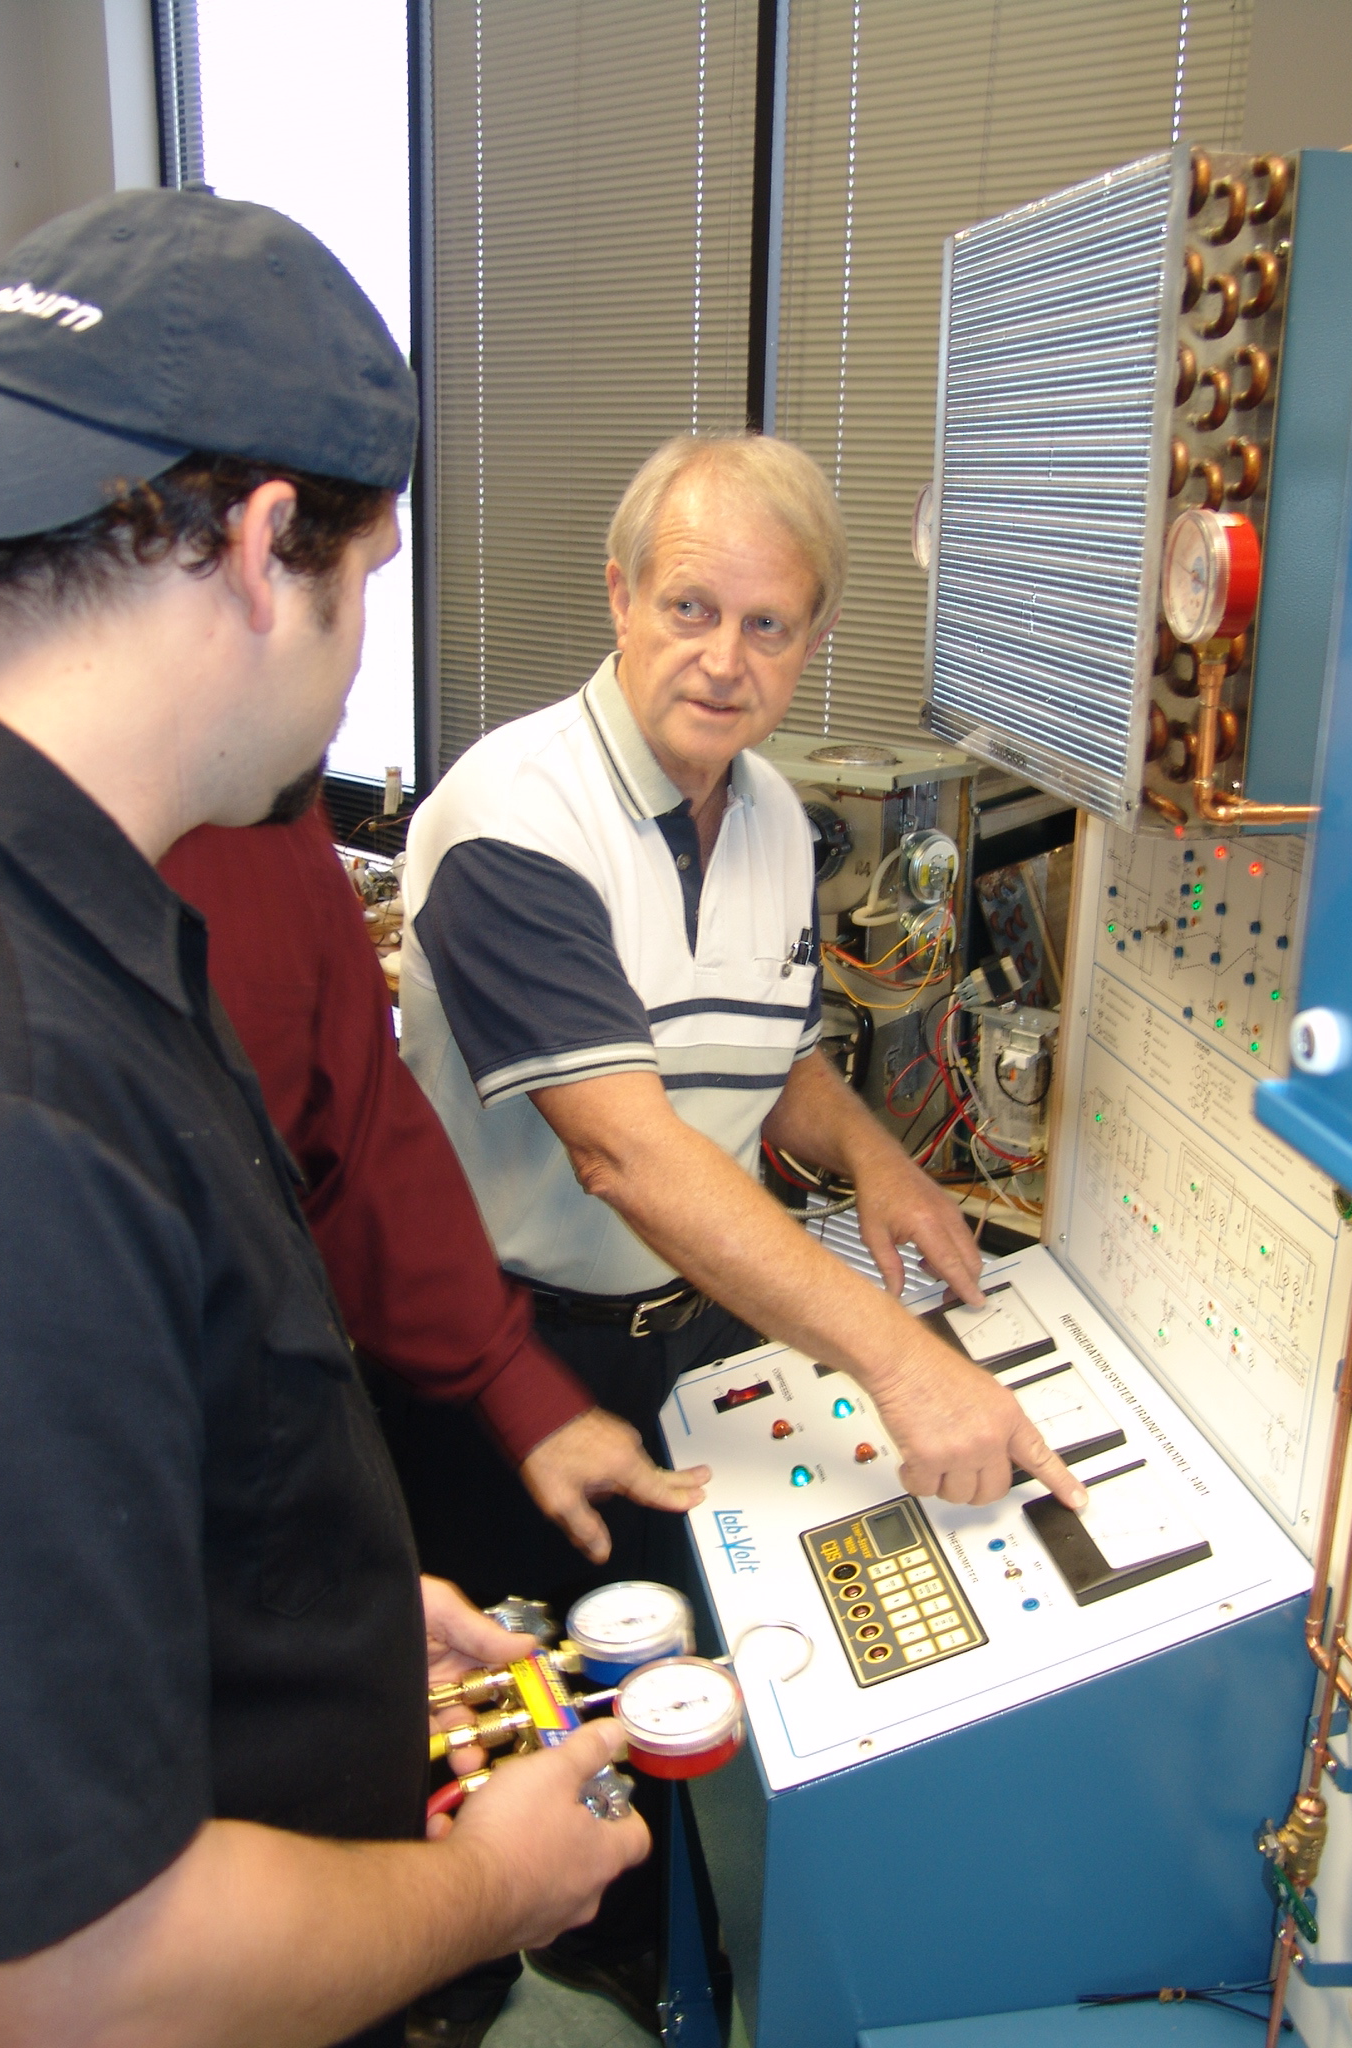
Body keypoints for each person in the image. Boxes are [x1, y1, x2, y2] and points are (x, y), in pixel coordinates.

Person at [0, 190, 646, 2048]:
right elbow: (69, 1982)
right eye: (372, 574)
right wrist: (495, 1884)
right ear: (266, 546)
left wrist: (293, 1609)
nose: (355, 659)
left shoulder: (64, 899)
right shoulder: (6, 1098)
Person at [396, 431, 1089, 2018]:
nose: (724, 659)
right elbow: (628, 1153)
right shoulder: (517, 818)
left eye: (768, 625)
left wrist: (880, 1165)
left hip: (682, 1343)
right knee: (538, 1782)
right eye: (690, 607)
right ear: (620, 594)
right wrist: (903, 1371)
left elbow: (765, 1051)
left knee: (691, 1733)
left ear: (817, 637)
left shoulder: (771, 813)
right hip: (502, 1376)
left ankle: (672, 1969)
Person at [159, 798, 709, 1572]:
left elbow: (361, 1137)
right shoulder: (504, 812)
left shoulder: (272, 829)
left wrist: (516, 1387)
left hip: (259, 1460)